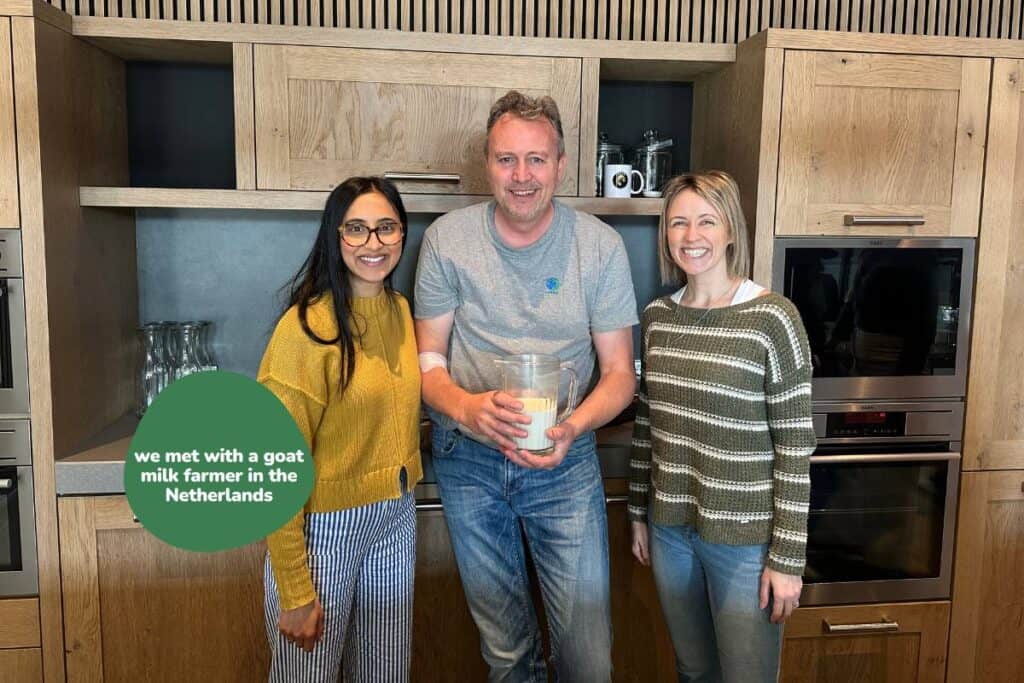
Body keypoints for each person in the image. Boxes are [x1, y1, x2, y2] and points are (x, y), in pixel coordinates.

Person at [413, 90, 638, 681]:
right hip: (470, 461)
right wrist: (467, 407)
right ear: (486, 164)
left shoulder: (599, 247)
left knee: (588, 659)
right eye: (505, 159)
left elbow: (620, 374)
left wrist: (571, 428)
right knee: (507, 654)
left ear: (561, 165)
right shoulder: (447, 240)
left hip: (566, 461)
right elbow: (426, 361)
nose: (521, 176)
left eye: (536, 159)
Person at [628, 170, 816, 682]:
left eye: (706, 221)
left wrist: (787, 557)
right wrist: (638, 512)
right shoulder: (657, 319)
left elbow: (796, 448)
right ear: (666, 233)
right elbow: (648, 424)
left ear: (731, 229)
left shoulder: (773, 319)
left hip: (746, 542)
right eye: (679, 223)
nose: (692, 237)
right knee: (693, 672)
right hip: (670, 532)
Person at [258, 177, 422, 682]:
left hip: (396, 518)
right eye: (356, 229)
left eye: (386, 228)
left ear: (401, 234)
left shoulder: (398, 311)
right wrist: (294, 590)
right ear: (335, 235)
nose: (373, 243)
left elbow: (386, 408)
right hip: (323, 533)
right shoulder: (306, 327)